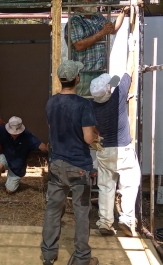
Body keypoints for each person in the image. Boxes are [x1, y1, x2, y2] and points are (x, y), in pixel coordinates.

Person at [41, 60, 99, 265]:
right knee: (82, 212)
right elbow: (88, 139)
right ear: (77, 79)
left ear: (60, 80)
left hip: (56, 164)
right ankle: (82, 259)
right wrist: (94, 133)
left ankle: (48, 255)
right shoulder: (84, 105)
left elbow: (52, 127)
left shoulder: (51, 103)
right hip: (79, 168)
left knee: (53, 210)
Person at [89, 34, 140, 237]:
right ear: (110, 90)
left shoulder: (93, 105)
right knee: (130, 182)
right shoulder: (118, 95)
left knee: (105, 186)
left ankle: (104, 222)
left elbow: (115, 82)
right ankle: (127, 219)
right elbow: (127, 72)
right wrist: (132, 46)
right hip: (123, 150)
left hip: (103, 151)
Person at [65, 1, 129, 96]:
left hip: (101, 72)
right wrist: (102, 33)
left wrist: (123, 12)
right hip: (84, 74)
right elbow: (79, 45)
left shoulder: (97, 17)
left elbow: (112, 29)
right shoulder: (75, 20)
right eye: (89, 0)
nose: (93, 2)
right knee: (85, 104)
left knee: (100, 105)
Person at [0, 116, 48, 196]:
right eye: (12, 132)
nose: (14, 134)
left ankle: (12, 180)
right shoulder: (2, 129)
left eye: (16, 133)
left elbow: (42, 146)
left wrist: (49, 148)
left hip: (18, 166)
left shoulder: (27, 136)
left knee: (10, 191)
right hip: (6, 156)